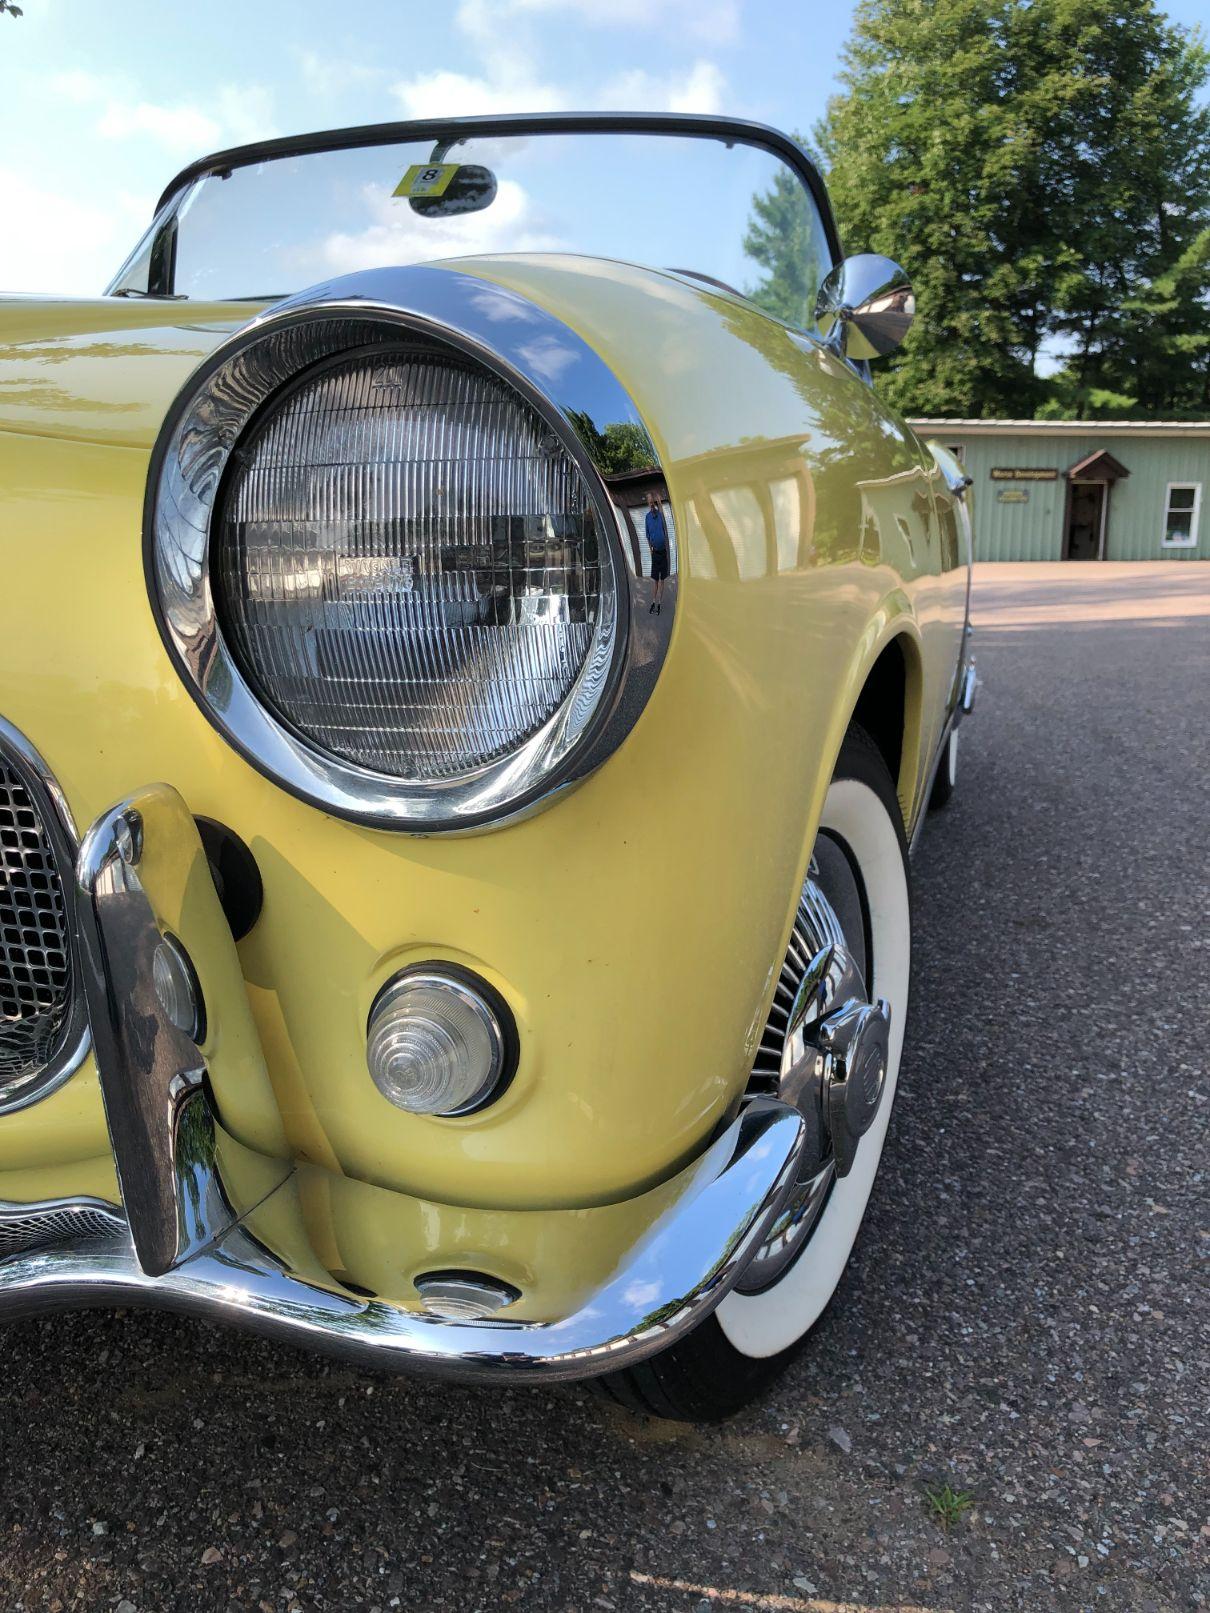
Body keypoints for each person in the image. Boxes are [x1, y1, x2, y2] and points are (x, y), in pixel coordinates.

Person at [645, 491, 669, 613]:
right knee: (655, 579)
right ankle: (653, 602)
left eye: (652, 502)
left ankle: (659, 602)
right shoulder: (647, 517)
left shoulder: (660, 515)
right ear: (648, 504)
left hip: (663, 552)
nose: (651, 504)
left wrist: (659, 501)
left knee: (662, 579)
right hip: (655, 553)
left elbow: (660, 506)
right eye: (649, 502)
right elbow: (647, 535)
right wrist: (650, 550)